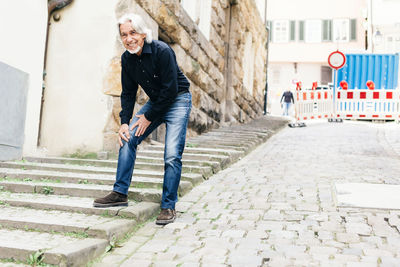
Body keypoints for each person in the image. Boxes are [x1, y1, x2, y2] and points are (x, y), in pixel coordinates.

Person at [93, 13, 192, 225]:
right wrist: (124, 123)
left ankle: (168, 206)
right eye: (124, 35)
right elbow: (128, 93)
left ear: (143, 33)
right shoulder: (127, 59)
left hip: (177, 99)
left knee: (172, 154)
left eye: (133, 33)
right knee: (128, 137)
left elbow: (170, 90)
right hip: (157, 101)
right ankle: (119, 193)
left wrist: (147, 117)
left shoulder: (162, 51)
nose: (129, 39)